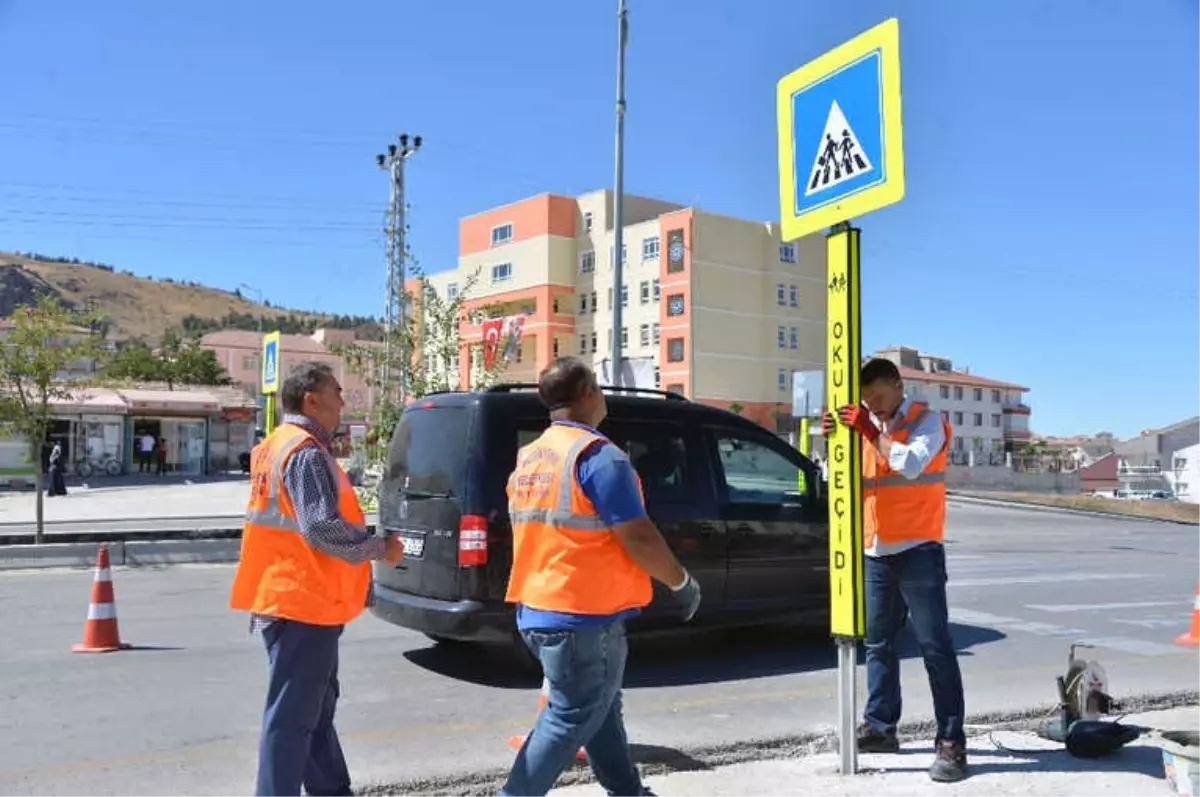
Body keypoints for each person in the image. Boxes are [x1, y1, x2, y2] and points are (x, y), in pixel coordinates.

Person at [500, 357, 702, 797]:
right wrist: (681, 583)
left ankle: (628, 792)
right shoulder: (599, 457)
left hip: (538, 608)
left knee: (601, 709)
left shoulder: (531, 457)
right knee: (569, 717)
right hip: (583, 616)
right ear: (589, 392)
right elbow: (639, 537)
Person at [229, 361, 404, 797]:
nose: (343, 400)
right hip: (300, 604)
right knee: (292, 720)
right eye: (336, 391)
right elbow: (322, 528)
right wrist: (381, 547)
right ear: (312, 399)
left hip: (296, 601)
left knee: (314, 714)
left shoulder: (278, 445)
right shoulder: (304, 452)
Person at [822, 358, 967, 783]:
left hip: (919, 549)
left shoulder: (928, 422)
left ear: (898, 385)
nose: (876, 409)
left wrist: (869, 433)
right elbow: (839, 478)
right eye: (868, 402)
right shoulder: (864, 424)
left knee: (935, 647)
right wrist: (834, 445)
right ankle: (881, 728)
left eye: (881, 399)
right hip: (875, 551)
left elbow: (910, 465)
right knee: (878, 644)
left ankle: (952, 743)